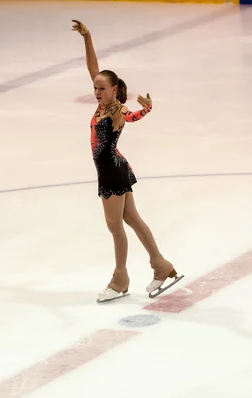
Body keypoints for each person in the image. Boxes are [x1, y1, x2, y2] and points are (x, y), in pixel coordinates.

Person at [72, 19, 183, 303]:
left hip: (112, 170)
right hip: (114, 167)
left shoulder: (117, 109)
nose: (96, 91)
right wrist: (87, 37)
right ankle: (160, 264)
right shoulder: (102, 104)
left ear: (114, 90)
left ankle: (120, 278)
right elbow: (93, 68)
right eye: (95, 88)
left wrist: (146, 110)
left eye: (101, 88)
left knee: (115, 225)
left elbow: (132, 117)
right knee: (131, 218)